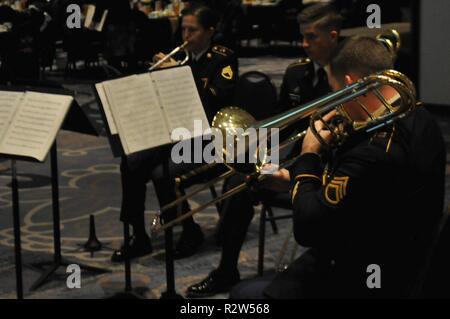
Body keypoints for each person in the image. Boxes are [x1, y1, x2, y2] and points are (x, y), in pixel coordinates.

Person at [229, 36, 446, 299]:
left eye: (334, 91)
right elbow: (365, 191)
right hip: (388, 239)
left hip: (366, 268)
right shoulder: (418, 115)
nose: (334, 101)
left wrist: (309, 152)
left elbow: (308, 229)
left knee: (243, 297)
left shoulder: (373, 151)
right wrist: (293, 179)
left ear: (350, 85)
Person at [185, 3, 342, 298]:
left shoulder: (347, 78)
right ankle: (227, 269)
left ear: (333, 36)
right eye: (302, 37)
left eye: (312, 37)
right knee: (239, 181)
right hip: (290, 158)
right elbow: (280, 124)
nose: (304, 44)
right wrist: (258, 156)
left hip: (326, 169)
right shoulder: (297, 73)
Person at [111, 5, 238, 262]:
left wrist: (177, 74)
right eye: (183, 29)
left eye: (193, 30)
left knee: (163, 173)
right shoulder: (184, 57)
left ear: (210, 31)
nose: (186, 35)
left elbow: (213, 104)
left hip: (213, 139)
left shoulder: (223, 59)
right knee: (132, 161)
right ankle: (138, 235)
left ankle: (189, 231)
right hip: (180, 132)